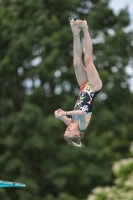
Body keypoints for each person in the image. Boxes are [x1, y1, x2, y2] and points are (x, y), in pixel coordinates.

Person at [54, 19, 102, 147]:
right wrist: (65, 113)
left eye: (66, 130)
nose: (68, 129)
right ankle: (85, 28)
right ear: (77, 134)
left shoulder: (71, 123)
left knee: (76, 63)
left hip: (83, 87)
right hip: (94, 88)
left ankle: (76, 33)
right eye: (69, 131)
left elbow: (62, 116)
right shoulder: (82, 125)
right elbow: (81, 112)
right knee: (88, 60)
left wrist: (59, 114)